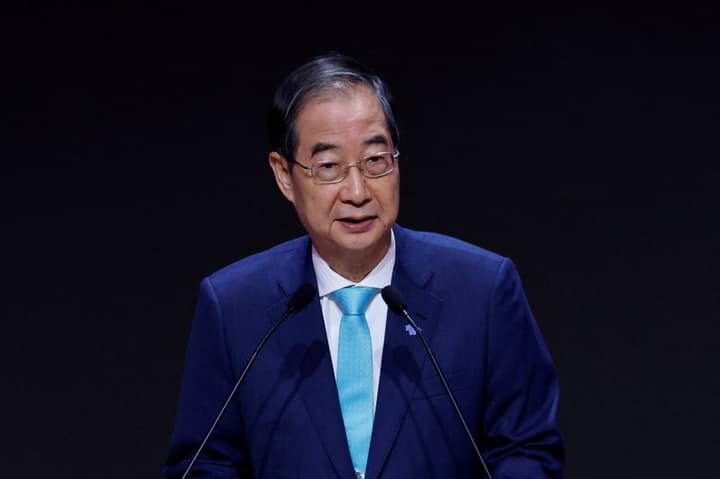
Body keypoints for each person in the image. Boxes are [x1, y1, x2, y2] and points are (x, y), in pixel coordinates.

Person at [164, 53, 564, 478]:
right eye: (329, 167)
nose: (357, 192)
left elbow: (527, 449)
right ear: (284, 175)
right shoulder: (234, 306)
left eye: (375, 161)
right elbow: (205, 464)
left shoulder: (482, 290)